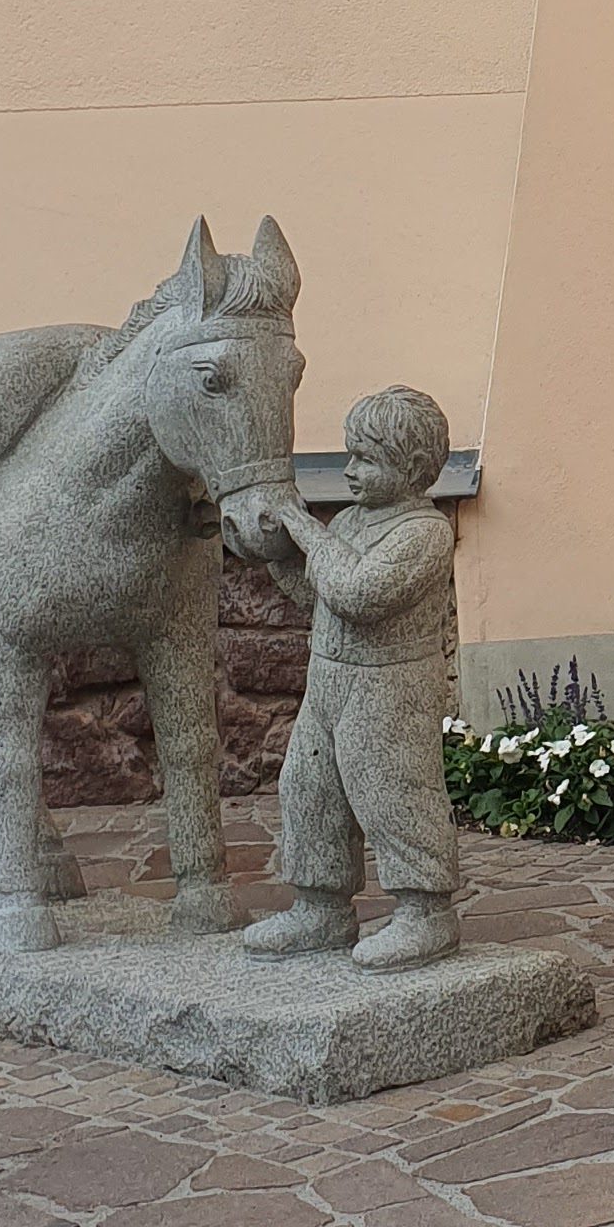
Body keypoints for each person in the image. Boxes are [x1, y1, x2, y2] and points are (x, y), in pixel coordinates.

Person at [242, 383, 459, 968]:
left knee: (392, 790)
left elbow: (358, 594)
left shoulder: (423, 533)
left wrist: (303, 525)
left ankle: (426, 911)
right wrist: (280, 554)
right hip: (329, 678)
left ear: (412, 467)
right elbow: (317, 595)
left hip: (389, 686)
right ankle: (321, 905)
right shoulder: (350, 523)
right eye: (350, 454)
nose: (350, 470)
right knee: (309, 785)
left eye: (366, 459)